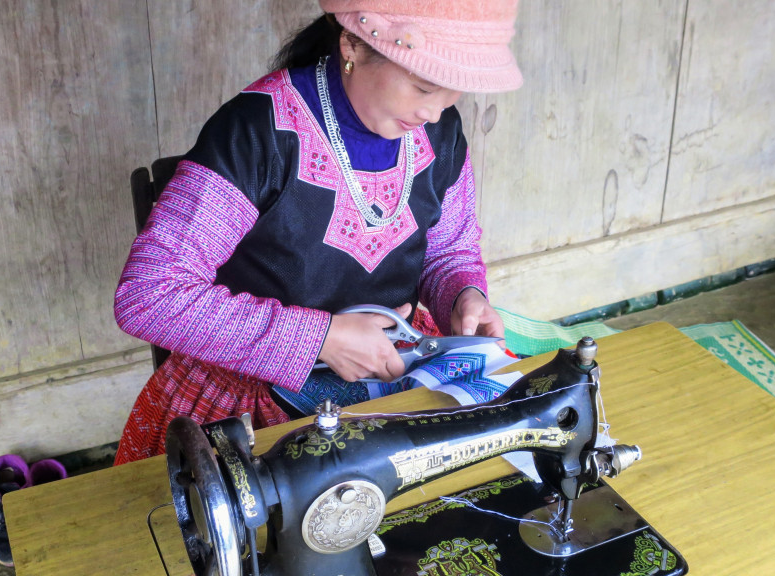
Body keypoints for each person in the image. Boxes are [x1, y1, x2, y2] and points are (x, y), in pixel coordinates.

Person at [112, 0, 523, 465]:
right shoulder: (257, 134)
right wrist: (320, 338)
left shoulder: (438, 131)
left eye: (452, 95)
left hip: (399, 362)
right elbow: (149, 295)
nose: (433, 112)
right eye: (423, 86)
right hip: (251, 399)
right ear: (351, 43)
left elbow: (449, 247)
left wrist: (463, 295)